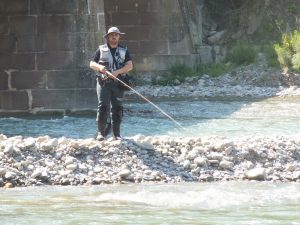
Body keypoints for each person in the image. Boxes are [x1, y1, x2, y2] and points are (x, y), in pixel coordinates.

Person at [89, 27, 133, 141]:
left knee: (117, 108)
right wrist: (100, 67)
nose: (114, 36)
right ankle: (101, 134)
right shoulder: (101, 49)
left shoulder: (124, 50)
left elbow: (130, 66)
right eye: (112, 35)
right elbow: (91, 63)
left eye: (116, 35)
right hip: (103, 83)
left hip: (118, 83)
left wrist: (117, 72)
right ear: (108, 37)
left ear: (119, 36)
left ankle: (117, 134)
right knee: (103, 107)